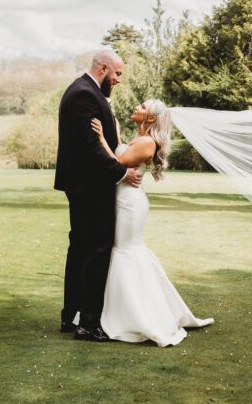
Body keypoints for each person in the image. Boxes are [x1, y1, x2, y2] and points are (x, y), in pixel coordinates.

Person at [90, 99, 213, 346]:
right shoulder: (139, 138)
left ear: (151, 118)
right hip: (123, 199)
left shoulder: (147, 142)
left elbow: (117, 165)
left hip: (129, 204)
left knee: (125, 252)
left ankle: (135, 315)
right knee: (127, 252)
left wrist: (102, 139)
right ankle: (127, 309)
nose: (137, 106)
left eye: (143, 106)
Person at [53, 49, 142, 342]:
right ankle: (88, 323)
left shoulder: (86, 91)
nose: (118, 80)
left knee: (79, 248)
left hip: (84, 185)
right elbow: (89, 148)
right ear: (103, 68)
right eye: (117, 74)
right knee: (97, 249)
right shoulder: (84, 95)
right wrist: (121, 173)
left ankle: (72, 315)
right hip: (89, 187)